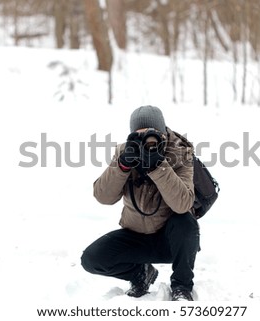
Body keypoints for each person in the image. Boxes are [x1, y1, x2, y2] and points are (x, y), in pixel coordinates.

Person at [81, 105, 199, 301]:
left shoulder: (180, 152)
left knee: (186, 223)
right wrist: (123, 165)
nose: (147, 141)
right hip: (135, 235)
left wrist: (158, 166)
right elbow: (103, 197)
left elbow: (183, 204)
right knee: (92, 259)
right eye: (139, 135)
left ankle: (182, 286)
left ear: (163, 133)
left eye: (151, 135)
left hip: (170, 240)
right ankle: (141, 274)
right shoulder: (124, 152)